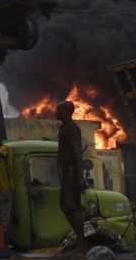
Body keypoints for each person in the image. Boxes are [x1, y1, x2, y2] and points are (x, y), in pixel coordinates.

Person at [56, 100, 86, 249]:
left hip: (71, 173)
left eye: (58, 109)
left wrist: (79, 177)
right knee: (66, 206)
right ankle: (80, 240)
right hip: (66, 173)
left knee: (71, 207)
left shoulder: (71, 128)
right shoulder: (64, 128)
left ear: (66, 111)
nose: (55, 112)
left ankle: (81, 242)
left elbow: (77, 152)